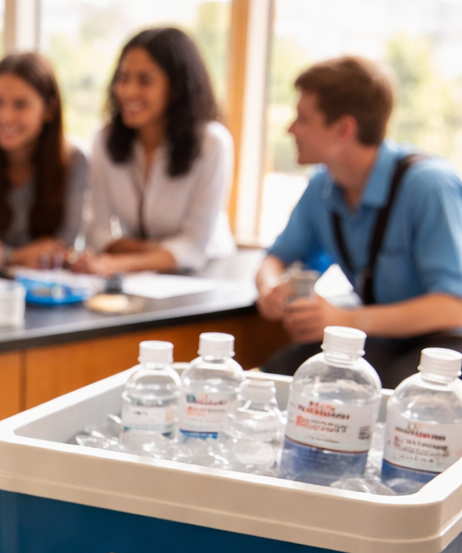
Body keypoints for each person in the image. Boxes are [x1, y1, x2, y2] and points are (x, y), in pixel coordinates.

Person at [256, 57, 462, 386]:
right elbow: (277, 257)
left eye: (303, 118)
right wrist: (270, 289)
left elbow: (453, 307)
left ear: (343, 129)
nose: (290, 129)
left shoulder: (428, 186)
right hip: (379, 338)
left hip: (442, 346)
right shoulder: (322, 186)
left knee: (389, 398)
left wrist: (346, 319)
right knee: (278, 377)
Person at [75, 27, 235, 276]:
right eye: (123, 78)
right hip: (136, 276)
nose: (128, 91)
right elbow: (97, 233)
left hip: (206, 276)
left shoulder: (212, 144)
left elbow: (194, 246)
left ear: (177, 87)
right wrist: (157, 253)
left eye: (145, 80)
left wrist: (119, 262)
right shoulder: (104, 138)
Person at [0, 52, 87, 268]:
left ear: (49, 109)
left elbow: (62, 246)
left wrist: (4, 256)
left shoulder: (75, 160)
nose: (5, 117)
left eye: (20, 105)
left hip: (44, 290)